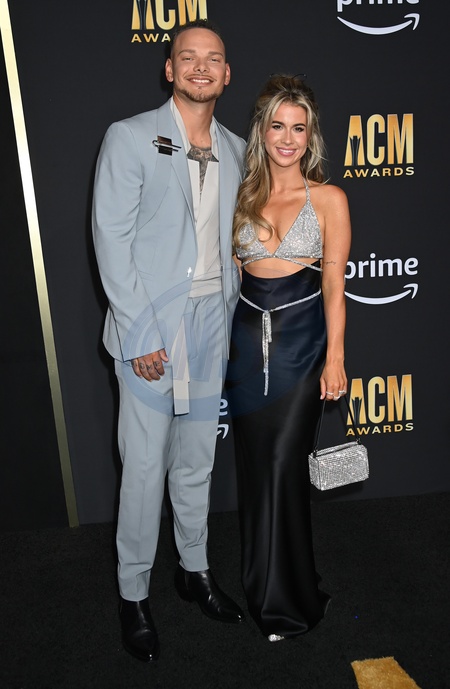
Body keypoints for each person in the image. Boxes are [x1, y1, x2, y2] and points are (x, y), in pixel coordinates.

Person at [92, 20, 246, 662]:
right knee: (144, 467)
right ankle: (133, 593)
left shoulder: (239, 148)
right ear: (169, 69)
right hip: (152, 327)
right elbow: (111, 238)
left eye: (213, 59)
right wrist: (140, 335)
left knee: (197, 461)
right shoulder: (130, 137)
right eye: (188, 57)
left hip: (212, 322)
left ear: (227, 74)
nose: (200, 67)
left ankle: (193, 569)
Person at [225, 75, 351, 641]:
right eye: (277, 125)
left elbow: (334, 286)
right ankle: (268, 585)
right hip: (246, 349)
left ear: (310, 136)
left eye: (298, 128)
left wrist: (335, 358)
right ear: (262, 130)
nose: (287, 138)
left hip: (302, 348)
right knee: (256, 469)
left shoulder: (328, 200)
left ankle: (286, 601)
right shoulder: (239, 197)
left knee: (282, 464)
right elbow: (230, 278)